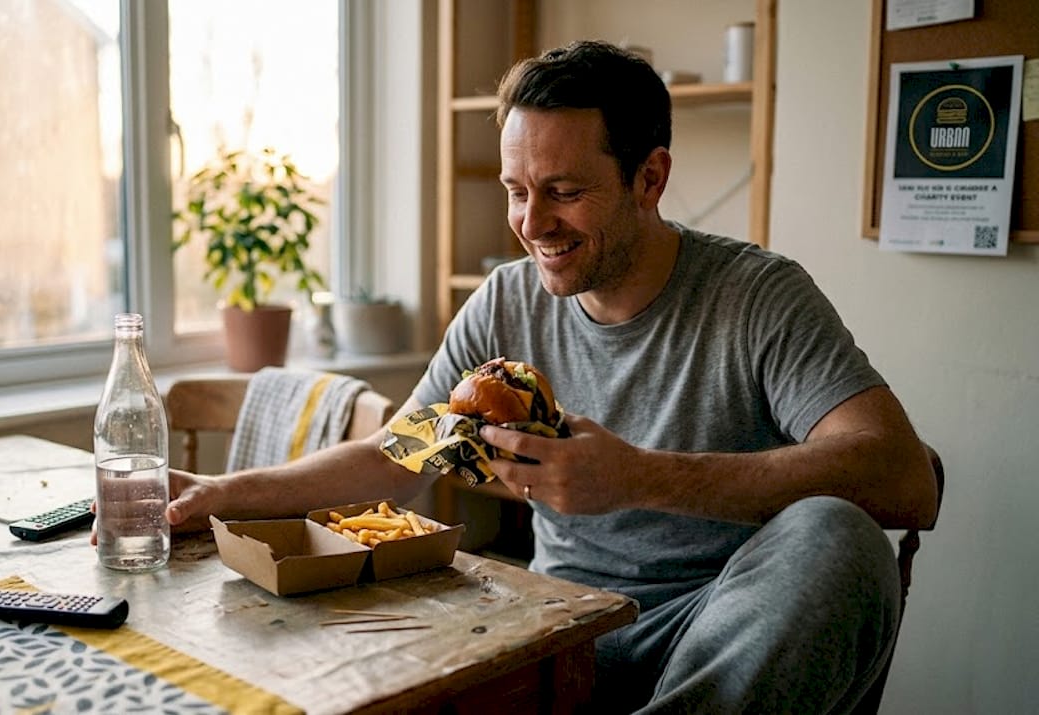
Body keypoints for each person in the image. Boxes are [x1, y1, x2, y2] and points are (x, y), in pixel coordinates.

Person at [160, 40, 939, 712]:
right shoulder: (505, 300)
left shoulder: (757, 296)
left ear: (650, 177)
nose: (533, 224)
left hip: (722, 634)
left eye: (565, 192)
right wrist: (218, 493)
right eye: (515, 191)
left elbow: (907, 479)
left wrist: (641, 477)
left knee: (839, 534)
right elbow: (398, 455)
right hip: (561, 631)